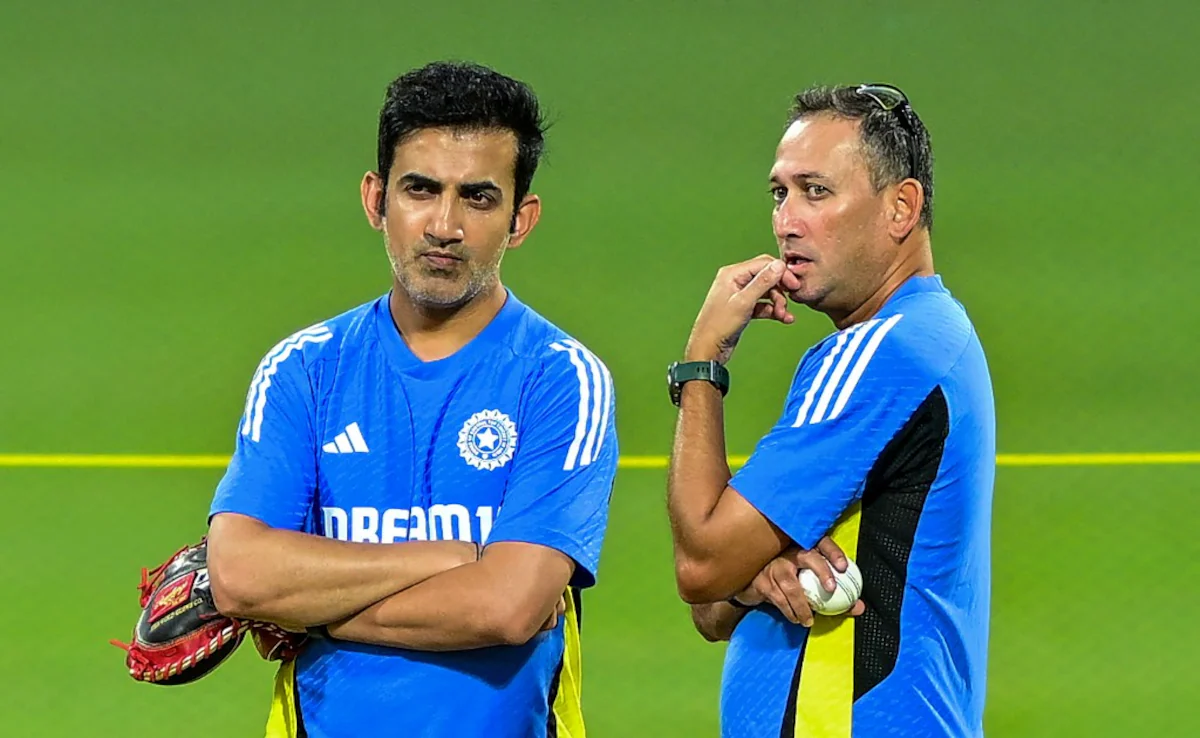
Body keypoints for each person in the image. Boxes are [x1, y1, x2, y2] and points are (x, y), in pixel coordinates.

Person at [205, 61, 618, 738]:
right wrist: (455, 557)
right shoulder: (304, 369)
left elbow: (508, 608)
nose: (444, 225)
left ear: (521, 220)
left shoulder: (561, 379)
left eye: (478, 198)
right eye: (420, 189)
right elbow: (239, 576)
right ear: (376, 200)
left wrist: (310, 611)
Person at [665, 83, 995, 737]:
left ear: (901, 208)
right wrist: (754, 575)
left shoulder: (884, 352)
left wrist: (704, 361)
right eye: (779, 193)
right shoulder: (925, 335)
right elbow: (714, 605)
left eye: (816, 192)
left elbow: (700, 564)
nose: (787, 221)